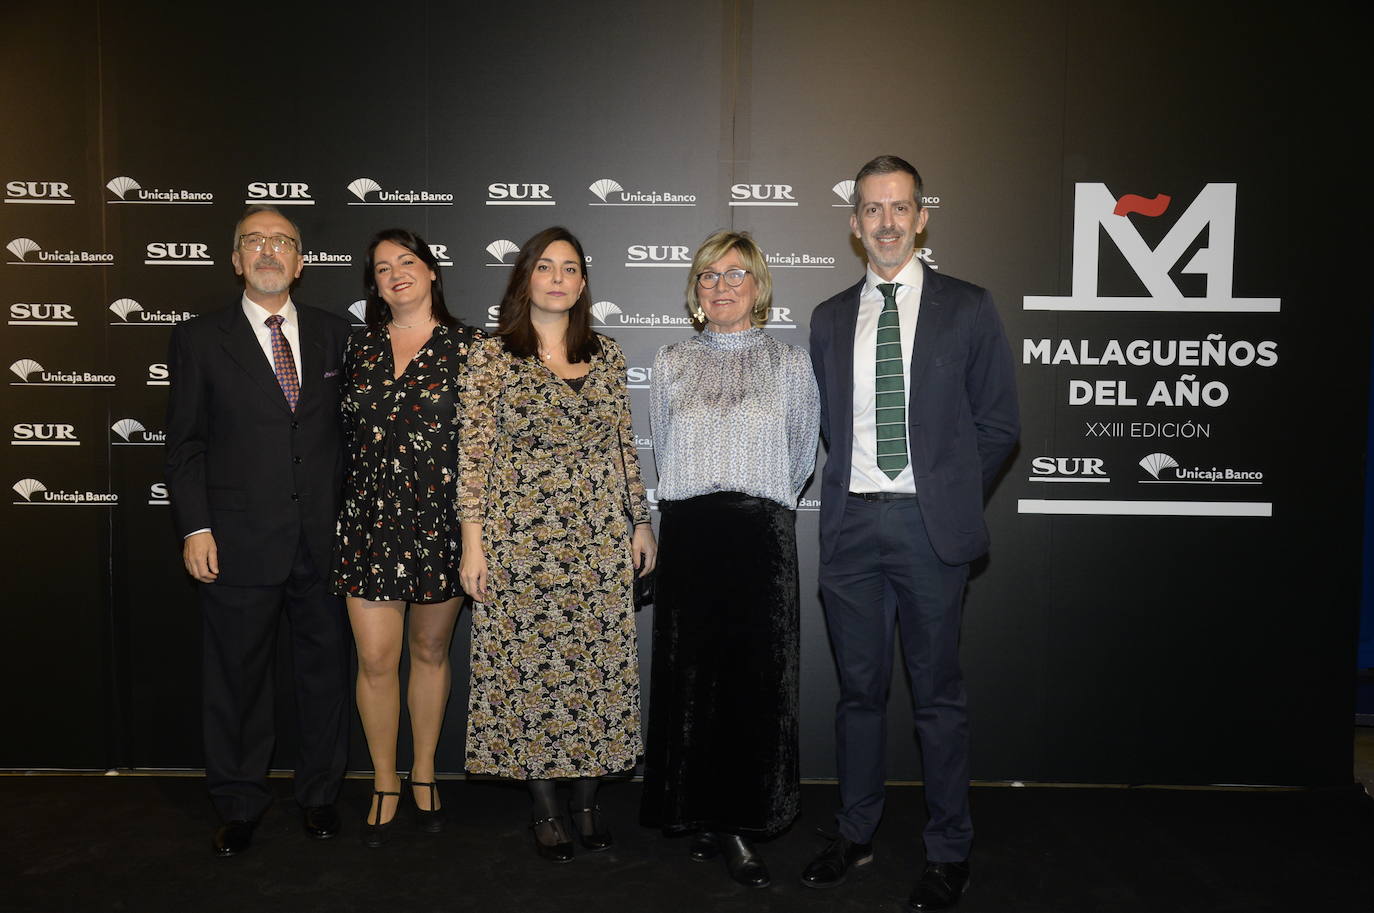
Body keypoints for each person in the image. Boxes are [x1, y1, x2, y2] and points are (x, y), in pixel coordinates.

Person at [804, 156, 1019, 911]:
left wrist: (949, 497)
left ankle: (948, 849)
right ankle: (856, 832)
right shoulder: (829, 317)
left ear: (922, 217)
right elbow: (829, 427)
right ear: (855, 223)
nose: (887, 222)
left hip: (932, 531)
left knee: (937, 698)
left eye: (900, 208)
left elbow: (998, 425)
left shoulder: (969, 306)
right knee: (859, 694)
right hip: (854, 526)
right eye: (872, 209)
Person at [457, 225, 656, 862]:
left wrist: (641, 521)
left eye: (571, 268)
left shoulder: (608, 353)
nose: (560, 278)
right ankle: (544, 805)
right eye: (547, 267)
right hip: (520, 542)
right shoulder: (491, 356)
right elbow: (474, 458)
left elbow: (625, 447)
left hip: (598, 540)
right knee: (529, 672)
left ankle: (589, 801)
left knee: (597, 670)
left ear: (582, 282)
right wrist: (473, 544)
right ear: (526, 279)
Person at [165, 205, 353, 856]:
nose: (270, 251)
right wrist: (196, 526)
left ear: (301, 263)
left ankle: (321, 793)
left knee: (325, 671)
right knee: (236, 677)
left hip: (324, 540)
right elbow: (185, 444)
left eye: (284, 242)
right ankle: (240, 800)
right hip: (238, 539)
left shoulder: (337, 336)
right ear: (236, 259)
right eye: (256, 242)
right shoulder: (197, 338)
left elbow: (352, 441)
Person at [639, 230, 818, 888]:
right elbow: (664, 446)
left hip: (758, 539)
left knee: (752, 685)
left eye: (735, 273)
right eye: (708, 275)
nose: (721, 285)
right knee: (691, 683)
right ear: (696, 289)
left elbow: (801, 456)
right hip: (690, 534)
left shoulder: (789, 363)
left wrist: (757, 508)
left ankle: (739, 821)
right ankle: (697, 811)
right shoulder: (669, 361)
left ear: (758, 284)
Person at [329, 229, 483, 846]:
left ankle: (423, 770)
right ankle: (384, 778)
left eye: (408, 262)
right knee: (374, 658)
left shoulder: (472, 348)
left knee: (428, 653)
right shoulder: (356, 348)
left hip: (442, 524)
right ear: (373, 283)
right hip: (366, 522)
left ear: (432, 272)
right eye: (383, 267)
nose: (396, 273)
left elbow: (486, 449)